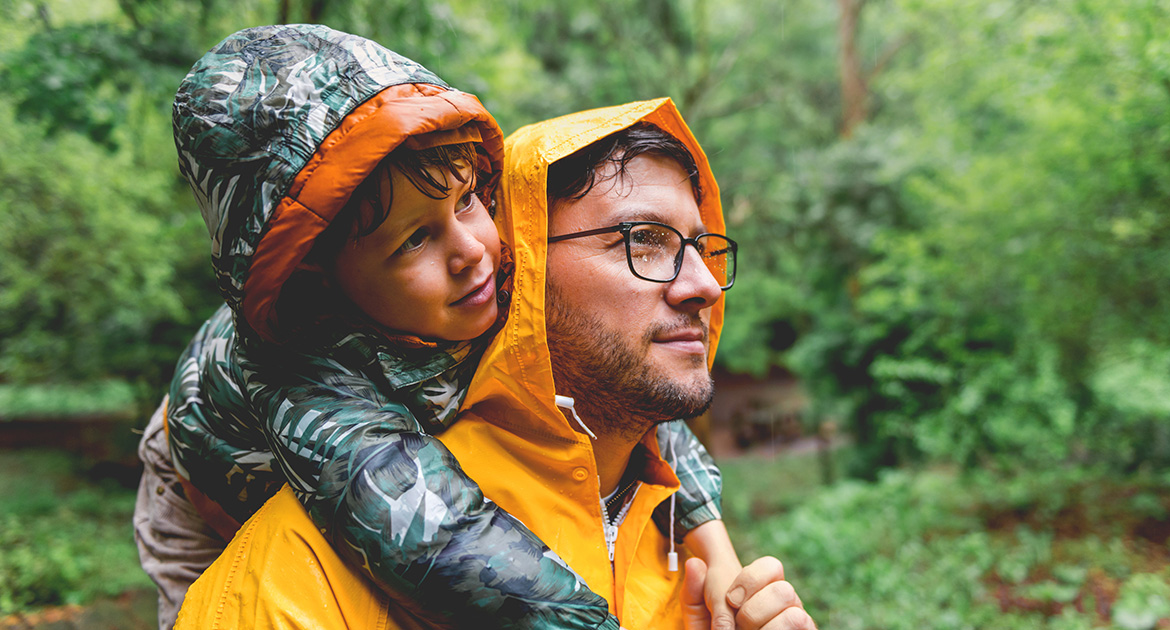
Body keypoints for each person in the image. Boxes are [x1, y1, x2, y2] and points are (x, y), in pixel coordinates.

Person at [132, 25, 739, 630]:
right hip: (209, 490)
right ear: (320, 274)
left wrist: (707, 529)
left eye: (469, 201)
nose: (472, 250)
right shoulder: (306, 370)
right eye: (415, 238)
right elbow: (431, 533)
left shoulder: (472, 283)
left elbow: (622, 389)